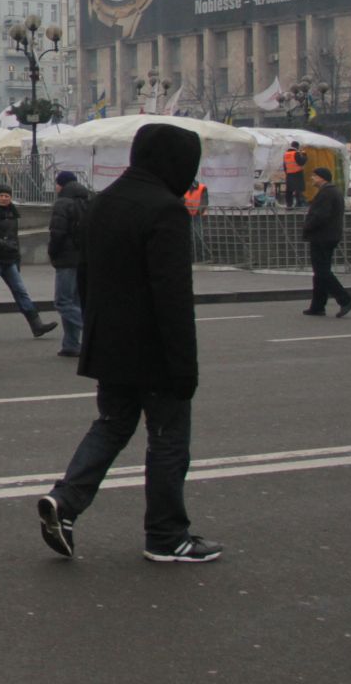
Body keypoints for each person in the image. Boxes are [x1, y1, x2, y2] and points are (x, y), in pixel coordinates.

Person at [37, 123, 222, 565]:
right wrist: (184, 366)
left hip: (110, 343)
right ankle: (166, 535)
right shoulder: (166, 210)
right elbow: (172, 295)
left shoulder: (102, 204)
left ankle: (66, 501)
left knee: (112, 425)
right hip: (154, 347)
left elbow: (86, 277)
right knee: (167, 440)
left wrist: (94, 334)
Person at [0, 183, 57, 342]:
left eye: (7, 196)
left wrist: (17, 258)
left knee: (20, 291)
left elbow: (15, 238)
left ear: (11, 197)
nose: (4, 198)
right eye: (1, 195)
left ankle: (36, 325)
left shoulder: (13, 214)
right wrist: (5, 244)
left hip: (10, 260)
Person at [302, 167, 351, 319]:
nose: (312, 178)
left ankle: (345, 299)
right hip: (328, 236)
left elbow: (321, 215)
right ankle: (318, 306)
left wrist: (307, 226)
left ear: (322, 178)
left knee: (322, 272)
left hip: (322, 236)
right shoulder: (333, 191)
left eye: (314, 176)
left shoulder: (326, 193)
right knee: (320, 273)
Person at [47, 170, 90, 360]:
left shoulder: (63, 203)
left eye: (57, 184)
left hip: (66, 258)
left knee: (63, 301)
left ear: (61, 185)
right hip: (85, 258)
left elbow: (57, 232)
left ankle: (94, 330)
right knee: (75, 301)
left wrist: (52, 253)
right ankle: (71, 344)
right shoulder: (88, 200)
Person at [183, 178, 209, 261]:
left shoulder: (202, 188)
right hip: (184, 215)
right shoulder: (181, 187)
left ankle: (200, 256)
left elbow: (204, 202)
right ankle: (189, 257)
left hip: (196, 217)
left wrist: (198, 212)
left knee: (197, 237)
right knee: (186, 237)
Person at [282, 140, 307, 208]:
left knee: (289, 190)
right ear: (297, 146)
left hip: (289, 174)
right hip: (297, 174)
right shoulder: (296, 153)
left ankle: (289, 205)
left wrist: (287, 172)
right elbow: (301, 162)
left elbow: (284, 166)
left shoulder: (286, 154)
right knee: (298, 189)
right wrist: (304, 155)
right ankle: (299, 203)